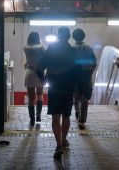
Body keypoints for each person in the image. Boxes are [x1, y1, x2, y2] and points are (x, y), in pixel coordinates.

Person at [37, 27, 77, 159]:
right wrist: (78, 89)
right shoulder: (72, 50)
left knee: (55, 118)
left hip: (54, 87)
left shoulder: (51, 48)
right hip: (68, 87)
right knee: (66, 116)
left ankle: (59, 145)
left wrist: (43, 80)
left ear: (59, 36)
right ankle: (64, 141)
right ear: (69, 36)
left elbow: (40, 68)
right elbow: (78, 71)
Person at [72, 28, 97, 130]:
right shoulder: (89, 48)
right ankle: (82, 120)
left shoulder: (72, 48)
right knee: (86, 98)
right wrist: (90, 73)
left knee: (76, 95)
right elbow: (94, 62)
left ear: (73, 37)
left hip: (75, 75)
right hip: (86, 74)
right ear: (83, 36)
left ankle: (77, 110)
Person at [24, 31, 45, 126]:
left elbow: (28, 59)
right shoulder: (41, 47)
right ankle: (38, 115)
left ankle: (32, 119)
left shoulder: (25, 47)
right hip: (39, 72)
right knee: (40, 94)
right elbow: (45, 57)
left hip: (29, 72)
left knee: (31, 97)